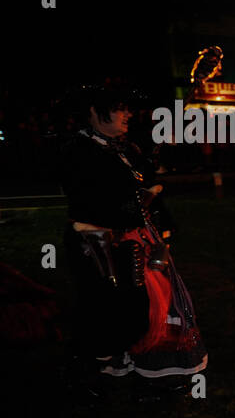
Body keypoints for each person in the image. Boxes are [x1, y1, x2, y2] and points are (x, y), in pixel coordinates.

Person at [59, 85, 207, 399]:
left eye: (127, 108)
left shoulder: (123, 147)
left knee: (154, 306)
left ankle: (147, 375)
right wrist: (134, 203)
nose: (128, 114)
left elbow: (142, 187)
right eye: (119, 108)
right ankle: (82, 373)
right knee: (116, 313)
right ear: (94, 113)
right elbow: (92, 199)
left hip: (137, 237)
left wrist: (157, 216)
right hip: (99, 242)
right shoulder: (78, 150)